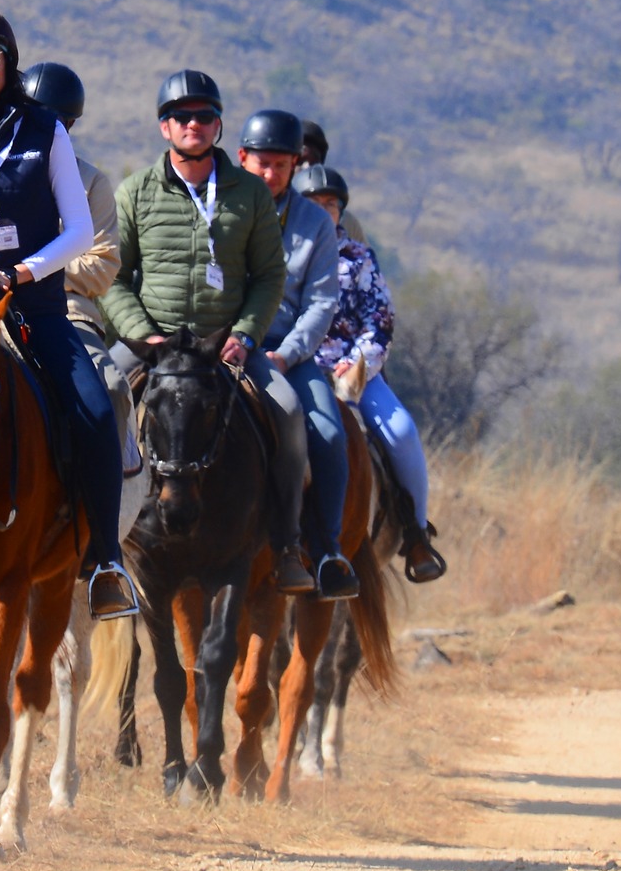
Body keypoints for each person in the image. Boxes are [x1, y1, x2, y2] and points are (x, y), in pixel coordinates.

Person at [0, 19, 137, 622]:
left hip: (33, 308)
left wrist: (19, 274)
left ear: (8, 61)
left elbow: (76, 232)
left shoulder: (46, 133)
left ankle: (103, 559)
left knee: (95, 408)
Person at [99, 70, 317, 594]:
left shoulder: (250, 194)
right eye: (180, 116)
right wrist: (141, 336)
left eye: (203, 116)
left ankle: (287, 545)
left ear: (218, 126)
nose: (191, 124)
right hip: (153, 346)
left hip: (225, 347)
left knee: (287, 412)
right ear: (164, 128)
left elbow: (269, 276)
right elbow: (112, 277)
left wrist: (244, 333)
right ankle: (95, 546)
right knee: (97, 397)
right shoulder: (134, 193)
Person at [298, 165, 446, 583]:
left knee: (400, 431)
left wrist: (360, 360)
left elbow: (379, 319)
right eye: (314, 204)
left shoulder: (358, 258)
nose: (324, 211)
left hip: (353, 372)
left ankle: (416, 534)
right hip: (295, 366)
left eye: (331, 205)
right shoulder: (277, 253)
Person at [238, 110, 356, 601]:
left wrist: (286, 356)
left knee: (328, 430)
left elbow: (323, 302)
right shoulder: (220, 205)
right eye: (262, 164)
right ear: (242, 158)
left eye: (281, 166)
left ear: (295, 167)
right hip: (224, 344)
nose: (270, 175)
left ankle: (325, 548)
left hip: (289, 351)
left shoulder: (314, 223)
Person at [20, 60, 136, 471]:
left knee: (113, 386)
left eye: (60, 122)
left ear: (70, 125)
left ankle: (107, 503)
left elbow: (102, 266)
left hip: (69, 315)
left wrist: (31, 269)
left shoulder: (92, 183)